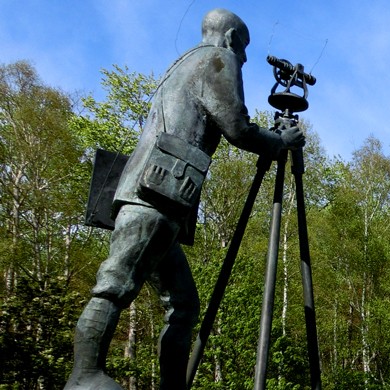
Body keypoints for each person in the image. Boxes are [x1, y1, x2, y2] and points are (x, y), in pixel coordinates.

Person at [65, 9, 303, 389]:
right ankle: (84, 375)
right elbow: (237, 127)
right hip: (154, 200)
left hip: (161, 202)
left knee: (183, 305)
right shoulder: (216, 59)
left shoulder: (180, 64)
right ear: (229, 38)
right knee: (115, 284)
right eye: (243, 49)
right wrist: (279, 143)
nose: (242, 59)